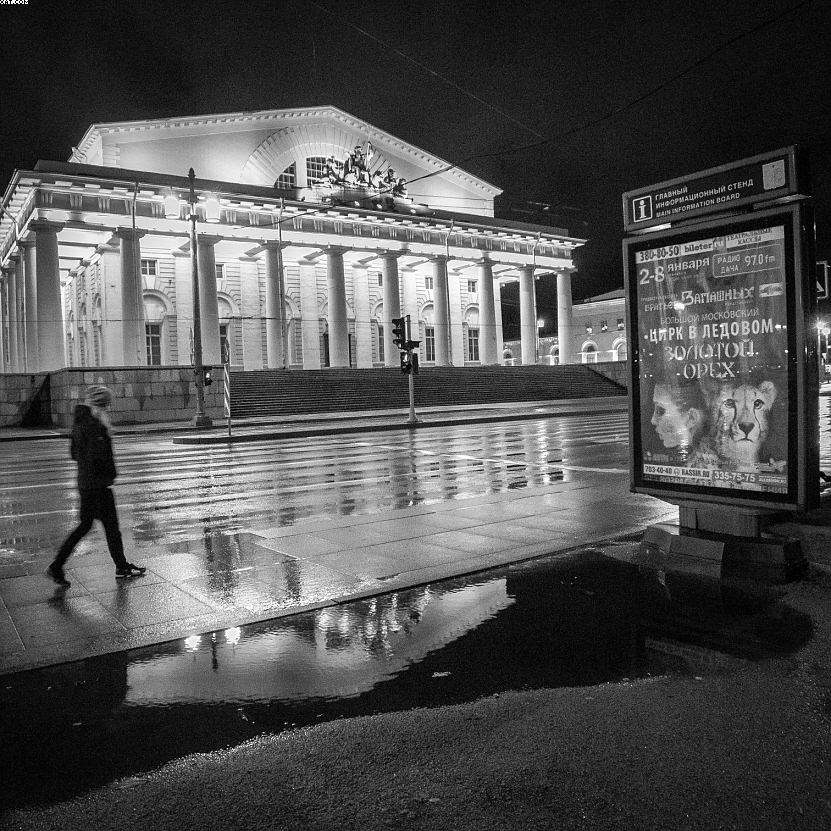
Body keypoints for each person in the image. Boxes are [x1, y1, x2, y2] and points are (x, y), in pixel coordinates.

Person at [46, 385, 145, 587]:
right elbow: (99, 457)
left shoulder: (81, 422)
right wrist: (109, 473)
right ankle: (119, 567)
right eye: (107, 404)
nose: (109, 408)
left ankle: (59, 566)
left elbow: (74, 454)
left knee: (94, 526)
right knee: (107, 527)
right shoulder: (95, 425)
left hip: (87, 483)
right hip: (97, 486)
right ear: (102, 404)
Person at [649, 378, 715, 466]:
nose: (653, 420)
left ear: (691, 418)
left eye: (660, 410)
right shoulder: (703, 459)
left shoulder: (703, 467)